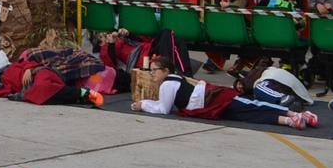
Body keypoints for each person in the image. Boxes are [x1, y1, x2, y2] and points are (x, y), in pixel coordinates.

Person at [133, 56, 317, 129]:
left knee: (251, 105)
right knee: (248, 115)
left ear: (166, 70)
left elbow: (163, 109)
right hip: (207, 105)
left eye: (155, 70)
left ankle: (294, 114)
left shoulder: (168, 84)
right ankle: (290, 120)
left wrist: (144, 104)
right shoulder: (174, 79)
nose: (152, 73)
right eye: (152, 70)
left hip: (212, 100)